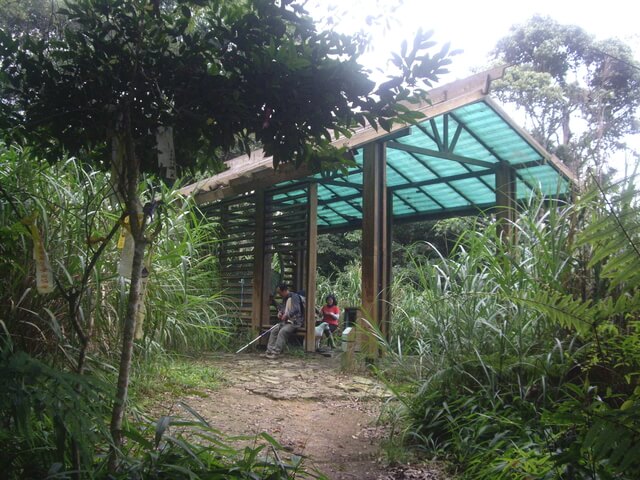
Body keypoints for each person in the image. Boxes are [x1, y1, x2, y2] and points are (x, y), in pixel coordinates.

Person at [264, 283, 304, 359]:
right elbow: (283, 309)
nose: (279, 295)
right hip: (286, 322)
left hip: (295, 322)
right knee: (274, 330)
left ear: (285, 290)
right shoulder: (285, 299)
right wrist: (280, 313)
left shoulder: (294, 297)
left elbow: (296, 309)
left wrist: (287, 314)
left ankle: (276, 353)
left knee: (283, 331)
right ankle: (269, 351)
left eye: (280, 293)